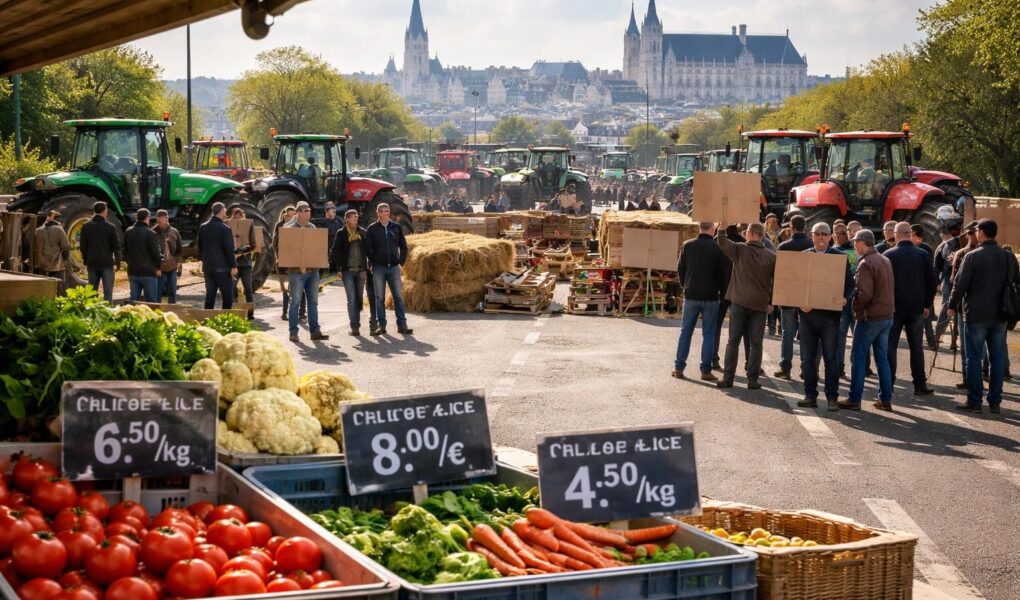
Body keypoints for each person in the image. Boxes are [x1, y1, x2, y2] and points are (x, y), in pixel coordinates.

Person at [948, 219, 1018, 414]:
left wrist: (952, 305)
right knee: (996, 359)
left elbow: (960, 284)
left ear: (981, 233)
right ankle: (995, 402)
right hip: (1000, 315)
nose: (975, 233)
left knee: (973, 358)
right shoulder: (1008, 256)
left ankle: (974, 401)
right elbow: (1016, 282)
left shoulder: (972, 256)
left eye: (977, 230)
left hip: (976, 314)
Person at [797, 223, 854, 410]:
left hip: (830, 317)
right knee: (808, 358)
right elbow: (793, 284)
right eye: (817, 234)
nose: (821, 237)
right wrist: (799, 302)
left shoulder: (839, 258)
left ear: (830, 236)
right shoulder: (804, 257)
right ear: (811, 235)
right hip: (807, 316)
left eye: (824, 234)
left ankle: (832, 398)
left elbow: (850, 285)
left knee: (831, 358)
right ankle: (810, 395)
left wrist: (845, 299)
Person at [715, 222, 776, 390]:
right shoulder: (771, 256)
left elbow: (722, 242)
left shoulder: (740, 249)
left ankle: (728, 378)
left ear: (753, 234)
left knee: (733, 341)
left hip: (739, 302)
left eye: (747, 231)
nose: (745, 233)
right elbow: (777, 282)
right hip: (759, 304)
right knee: (756, 343)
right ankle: (753, 380)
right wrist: (771, 302)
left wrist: (721, 228)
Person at [842, 229, 895, 411]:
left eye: (856, 242)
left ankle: (854, 398)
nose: (854, 245)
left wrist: (855, 307)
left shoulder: (866, 263)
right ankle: (885, 399)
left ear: (863, 242)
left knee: (858, 357)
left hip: (870, 317)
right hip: (886, 316)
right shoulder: (884, 259)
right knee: (882, 358)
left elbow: (864, 293)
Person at [883, 222, 937, 395]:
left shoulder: (888, 254)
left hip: (893, 308)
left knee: (890, 346)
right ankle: (920, 385)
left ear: (897, 234)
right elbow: (932, 281)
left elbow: (883, 284)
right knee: (917, 347)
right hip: (917, 308)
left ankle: (888, 383)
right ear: (909, 234)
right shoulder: (922, 254)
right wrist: (927, 304)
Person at [672, 222, 727, 381]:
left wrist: (685, 286)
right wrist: (722, 294)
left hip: (691, 295)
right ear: (713, 229)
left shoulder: (687, 245)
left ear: (699, 228)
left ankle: (679, 367)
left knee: (685, 332)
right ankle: (705, 370)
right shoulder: (717, 248)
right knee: (709, 334)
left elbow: (680, 268)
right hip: (711, 297)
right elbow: (723, 275)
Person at [280, 202, 329, 343]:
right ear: (298, 212)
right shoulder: (289, 229)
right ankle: (293, 332)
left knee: (313, 302)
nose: (309, 213)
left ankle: (315, 331)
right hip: (296, 273)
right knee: (295, 302)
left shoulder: (312, 227)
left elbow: (316, 249)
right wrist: (297, 264)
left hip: (313, 271)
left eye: (309, 210)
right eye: (306, 210)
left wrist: (317, 263)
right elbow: (285, 251)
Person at [364, 203, 413, 336]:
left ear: (389, 212)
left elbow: (403, 247)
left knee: (398, 297)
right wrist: (372, 262)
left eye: (387, 211)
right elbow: (367, 248)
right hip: (379, 268)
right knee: (380, 298)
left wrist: (400, 263)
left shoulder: (396, 227)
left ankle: (402, 325)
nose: (384, 213)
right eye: (382, 211)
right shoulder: (372, 229)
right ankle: (382, 326)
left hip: (394, 269)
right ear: (377, 213)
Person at [774, 215, 813, 380]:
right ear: (805, 227)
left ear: (791, 227)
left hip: (788, 295)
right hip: (807, 295)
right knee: (806, 334)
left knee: (787, 333)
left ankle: (785, 367)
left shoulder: (783, 246)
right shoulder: (812, 245)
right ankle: (806, 368)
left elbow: (779, 273)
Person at [332, 209, 377, 337]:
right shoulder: (341, 234)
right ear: (346, 219)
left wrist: (370, 264)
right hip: (347, 271)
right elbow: (336, 253)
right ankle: (355, 327)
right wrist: (338, 269)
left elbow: (370, 250)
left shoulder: (362, 233)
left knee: (358, 298)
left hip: (361, 271)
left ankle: (358, 323)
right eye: (353, 218)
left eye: (356, 218)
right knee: (351, 299)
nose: (355, 220)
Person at [196, 202, 237, 309]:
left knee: (210, 296)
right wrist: (233, 266)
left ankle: (208, 319)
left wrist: (205, 260)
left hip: (208, 268)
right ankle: (225, 319)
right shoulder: (225, 229)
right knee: (227, 296)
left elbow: (200, 247)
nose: (225, 213)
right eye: (225, 210)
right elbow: (229, 250)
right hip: (222, 268)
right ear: (222, 211)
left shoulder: (203, 227)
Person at [80, 201, 121, 302]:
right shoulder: (110, 227)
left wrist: (85, 261)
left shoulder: (86, 226)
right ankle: (107, 313)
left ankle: (91, 312)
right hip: (107, 263)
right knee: (107, 292)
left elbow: (83, 246)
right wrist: (117, 263)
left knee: (92, 292)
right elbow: (116, 247)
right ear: (104, 211)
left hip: (92, 263)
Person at [833, 222, 858, 376]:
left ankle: (844, 368)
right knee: (849, 337)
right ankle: (846, 367)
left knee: (846, 337)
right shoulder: (856, 251)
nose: (840, 235)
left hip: (849, 298)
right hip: (848, 299)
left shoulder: (836, 253)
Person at [933, 221, 963, 348]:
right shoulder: (961, 244)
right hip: (954, 281)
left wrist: (938, 282)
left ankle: (939, 336)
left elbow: (936, 266)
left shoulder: (944, 245)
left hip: (949, 281)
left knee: (948, 308)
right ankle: (942, 337)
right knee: (952, 309)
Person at [123, 208, 163, 303]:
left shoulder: (128, 231)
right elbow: (156, 253)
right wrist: (158, 267)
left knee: (133, 300)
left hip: (133, 271)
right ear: (147, 217)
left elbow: (125, 251)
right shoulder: (151, 233)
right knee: (151, 302)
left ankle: (130, 316)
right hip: (148, 272)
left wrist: (130, 262)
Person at [33, 210, 70, 293]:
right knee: (58, 287)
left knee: (42, 288)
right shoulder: (58, 229)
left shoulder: (37, 231)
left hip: (40, 264)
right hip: (55, 264)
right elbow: (66, 247)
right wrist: (65, 260)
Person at [153, 209, 183, 304]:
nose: (166, 219)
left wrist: (177, 261)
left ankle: (172, 309)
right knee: (158, 292)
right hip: (160, 268)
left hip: (172, 267)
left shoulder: (174, 232)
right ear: (157, 219)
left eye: (166, 217)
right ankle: (157, 311)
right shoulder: (153, 232)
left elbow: (179, 249)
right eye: (162, 217)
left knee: (172, 291)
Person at [229, 207, 257, 308]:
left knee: (245, 289)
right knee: (237, 288)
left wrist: (240, 252)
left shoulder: (247, 225)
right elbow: (253, 245)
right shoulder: (229, 225)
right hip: (235, 263)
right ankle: (245, 313)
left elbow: (253, 245)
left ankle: (246, 313)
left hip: (243, 263)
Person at [322, 202, 342, 271]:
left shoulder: (339, 221)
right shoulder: (323, 222)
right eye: (330, 208)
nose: (333, 210)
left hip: (338, 250)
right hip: (326, 250)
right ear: (326, 211)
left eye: (333, 208)